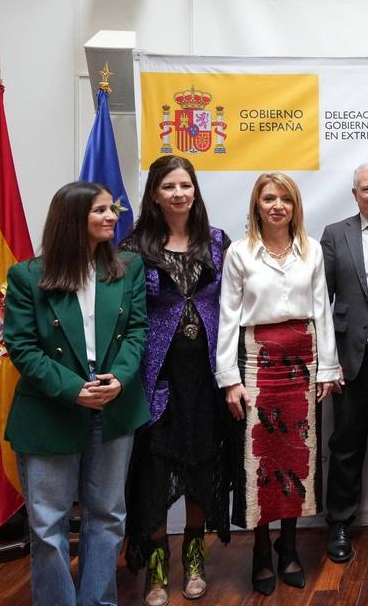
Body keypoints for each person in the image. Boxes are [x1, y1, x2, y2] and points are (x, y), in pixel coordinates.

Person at [3, 181, 149, 606]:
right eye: (101, 211)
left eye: (113, 209)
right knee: (48, 526)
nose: (112, 217)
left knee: (107, 517)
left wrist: (119, 379)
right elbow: (22, 347)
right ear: (73, 220)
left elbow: (137, 330)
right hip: (51, 411)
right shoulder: (28, 276)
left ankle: (98, 602)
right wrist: (73, 390)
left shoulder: (127, 267)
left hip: (114, 406)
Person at [216, 172, 341, 595]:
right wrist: (229, 379)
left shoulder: (312, 250)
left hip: (304, 366)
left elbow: (322, 310)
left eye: (285, 198)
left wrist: (328, 368)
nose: (277, 206)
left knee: (297, 457)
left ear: (295, 206)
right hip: (257, 365)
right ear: (256, 205)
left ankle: (290, 547)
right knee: (262, 461)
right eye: (269, 198)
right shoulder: (239, 252)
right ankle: (261, 548)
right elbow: (228, 317)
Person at [122, 156, 232, 605]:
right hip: (156, 379)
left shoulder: (219, 241)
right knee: (154, 470)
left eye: (185, 185)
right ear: (154, 193)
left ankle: (193, 556)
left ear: (195, 190)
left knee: (202, 465)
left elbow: (236, 305)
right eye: (169, 186)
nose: (179, 193)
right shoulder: (133, 247)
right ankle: (157, 565)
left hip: (207, 376)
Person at [320, 163, 368, 563]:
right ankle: (338, 523)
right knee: (347, 444)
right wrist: (327, 362)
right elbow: (322, 303)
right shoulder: (336, 235)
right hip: (353, 359)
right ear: (355, 194)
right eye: (366, 189)